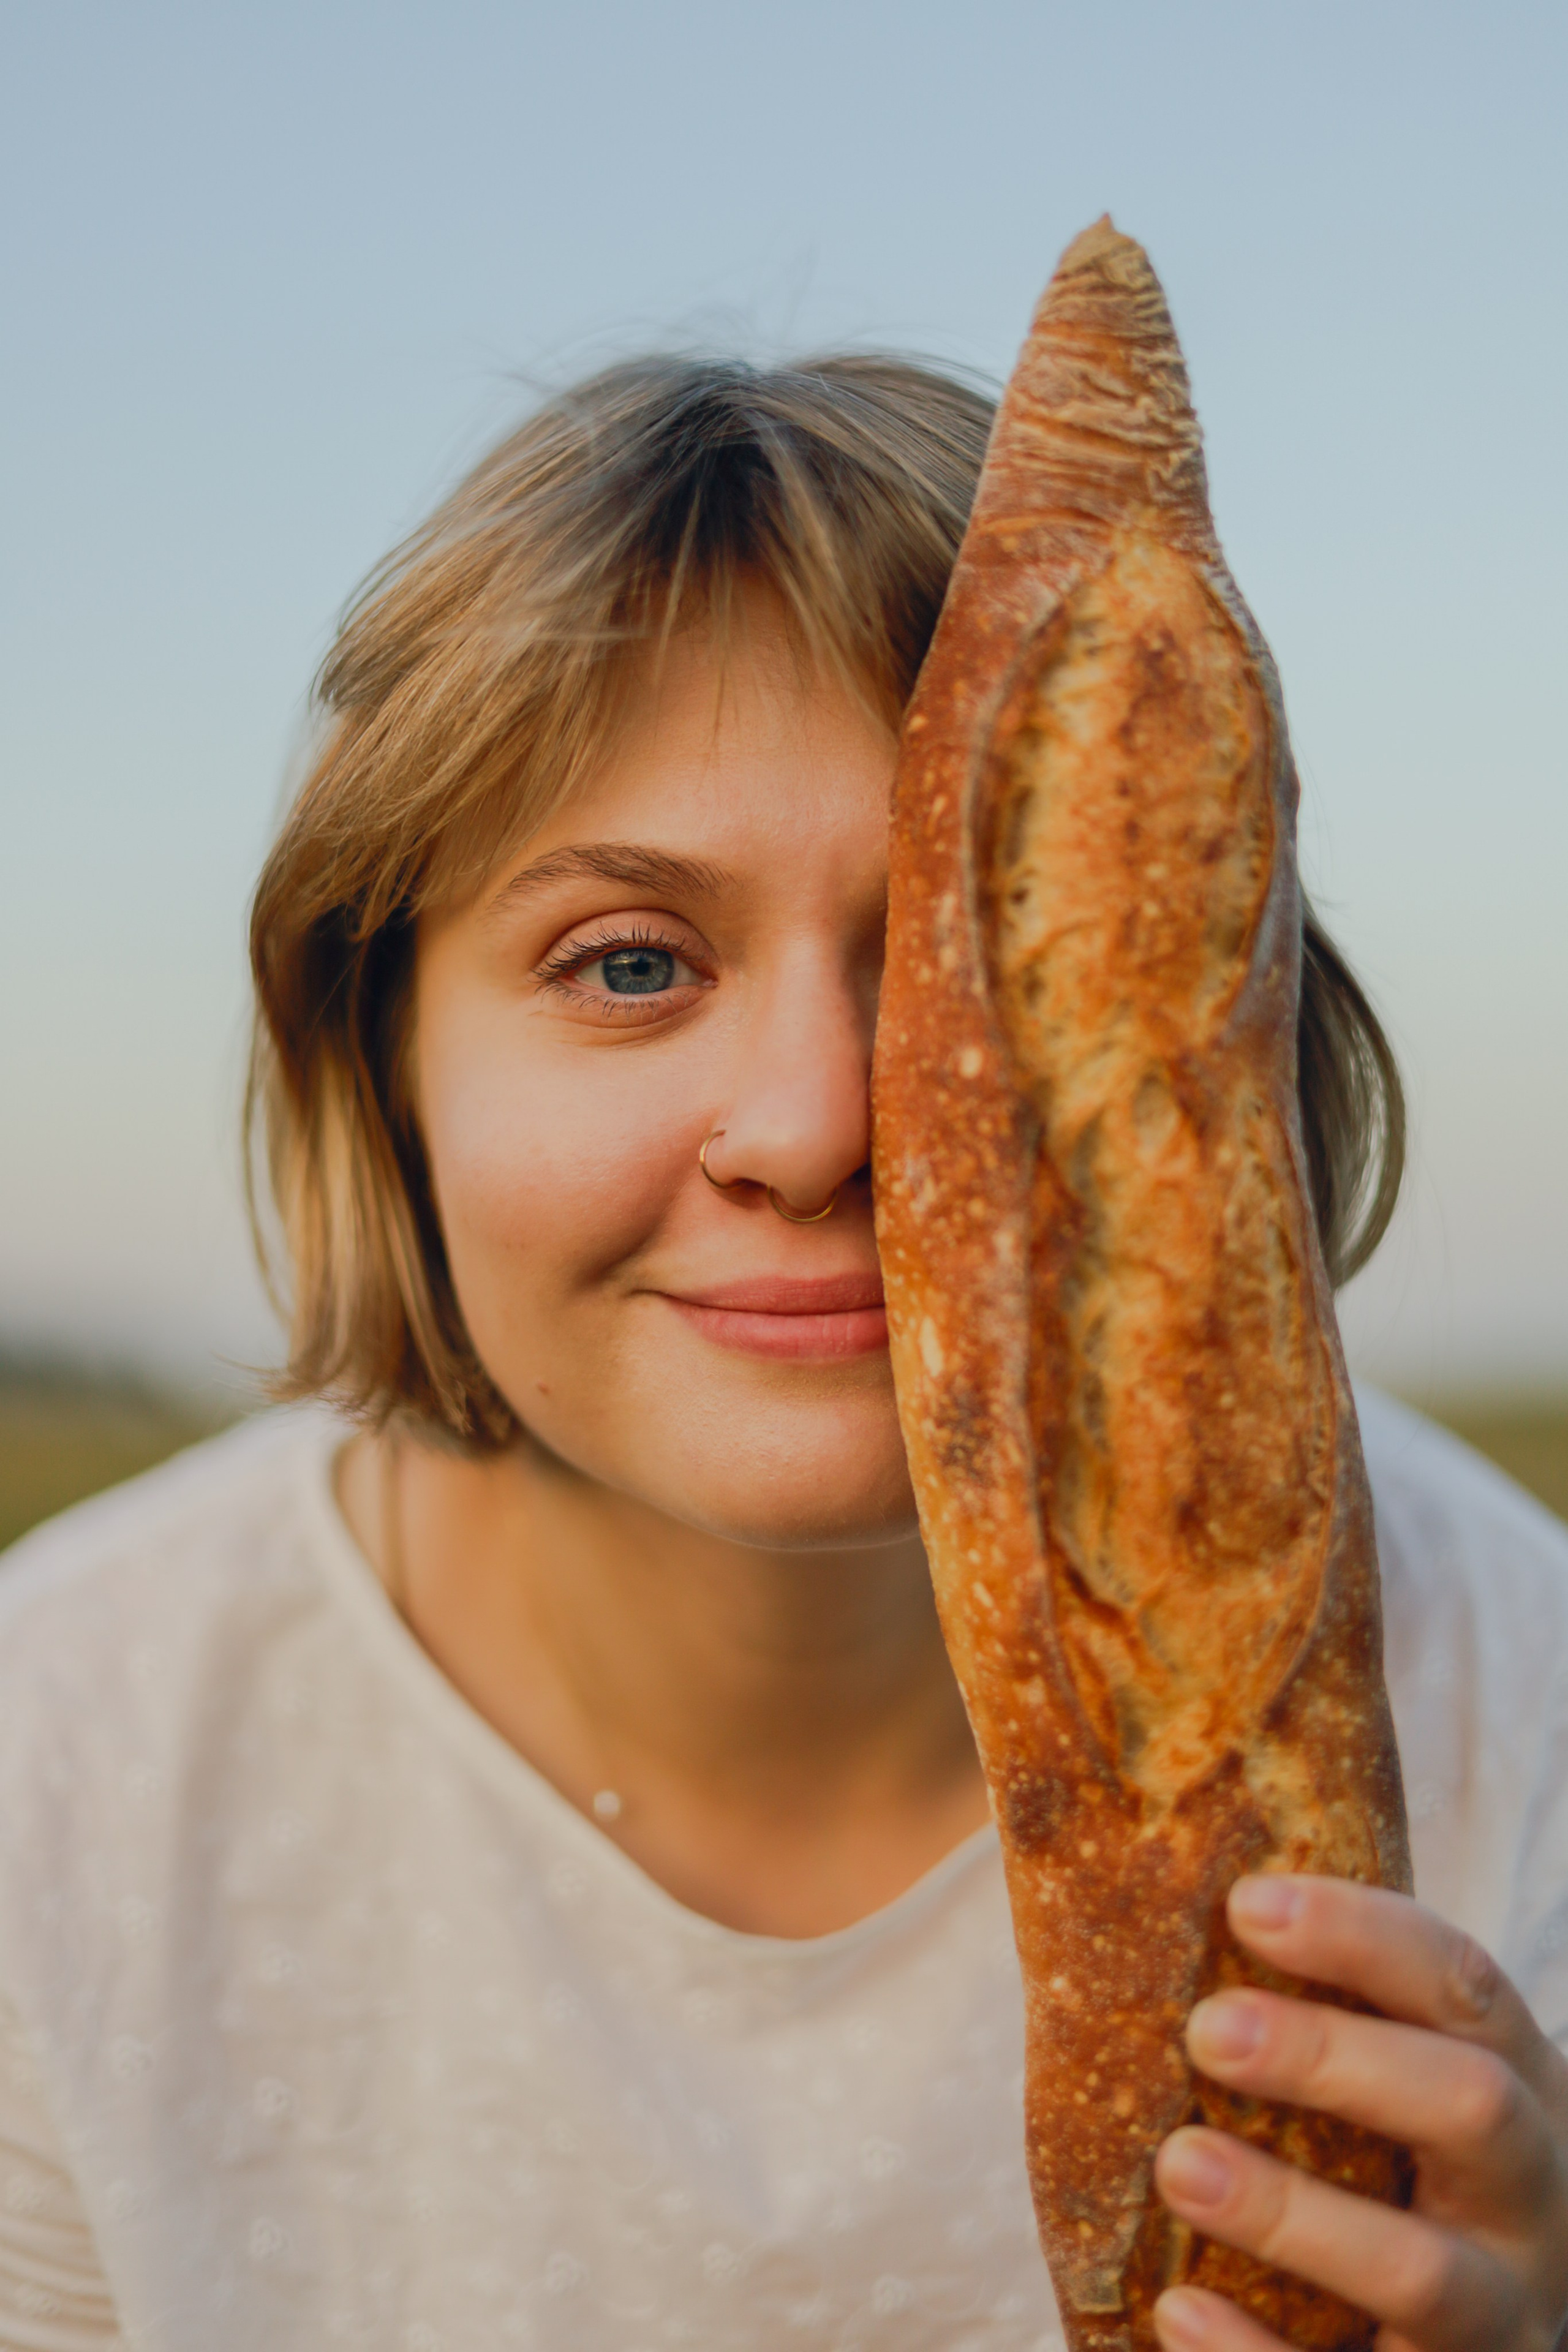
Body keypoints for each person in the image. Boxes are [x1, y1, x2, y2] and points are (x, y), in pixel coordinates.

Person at [1, 355, 1564, 2352]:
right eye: (631, 965)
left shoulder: (1516, 1698)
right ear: (383, 1066)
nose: (819, 1125)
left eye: (953, 968)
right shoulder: (64, 1786)